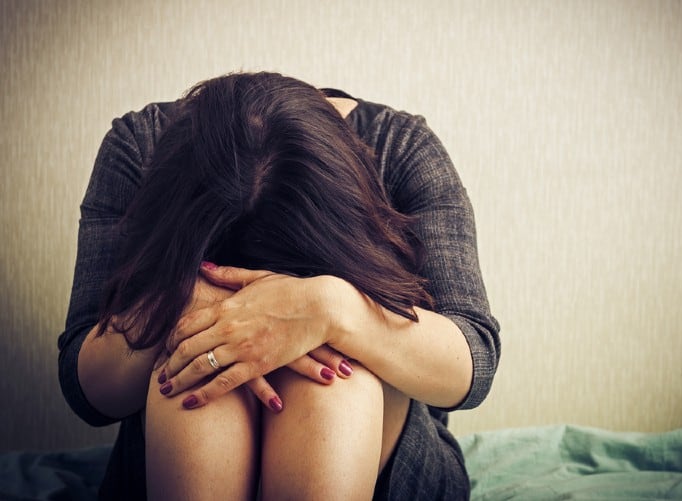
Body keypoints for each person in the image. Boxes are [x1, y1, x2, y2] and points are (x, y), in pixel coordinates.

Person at [58, 71, 500, 500]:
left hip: (378, 454)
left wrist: (332, 309)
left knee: (332, 389)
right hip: (178, 445)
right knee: (196, 380)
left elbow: (472, 361)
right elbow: (86, 391)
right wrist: (178, 301)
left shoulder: (400, 148)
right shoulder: (139, 147)